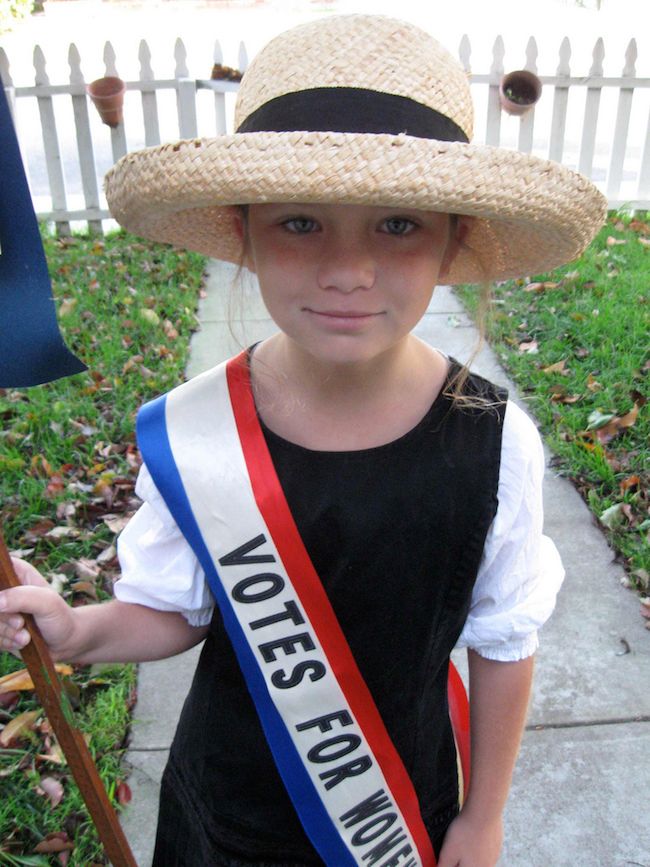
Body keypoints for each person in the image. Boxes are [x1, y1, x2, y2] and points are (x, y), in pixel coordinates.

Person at [0, 14, 606, 867]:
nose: (347, 268)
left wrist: (484, 814)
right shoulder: (197, 428)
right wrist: (75, 630)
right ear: (243, 232)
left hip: (401, 809)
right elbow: (174, 611)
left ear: (453, 238)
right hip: (225, 819)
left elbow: (506, 639)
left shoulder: (493, 441)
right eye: (300, 223)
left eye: (397, 224)